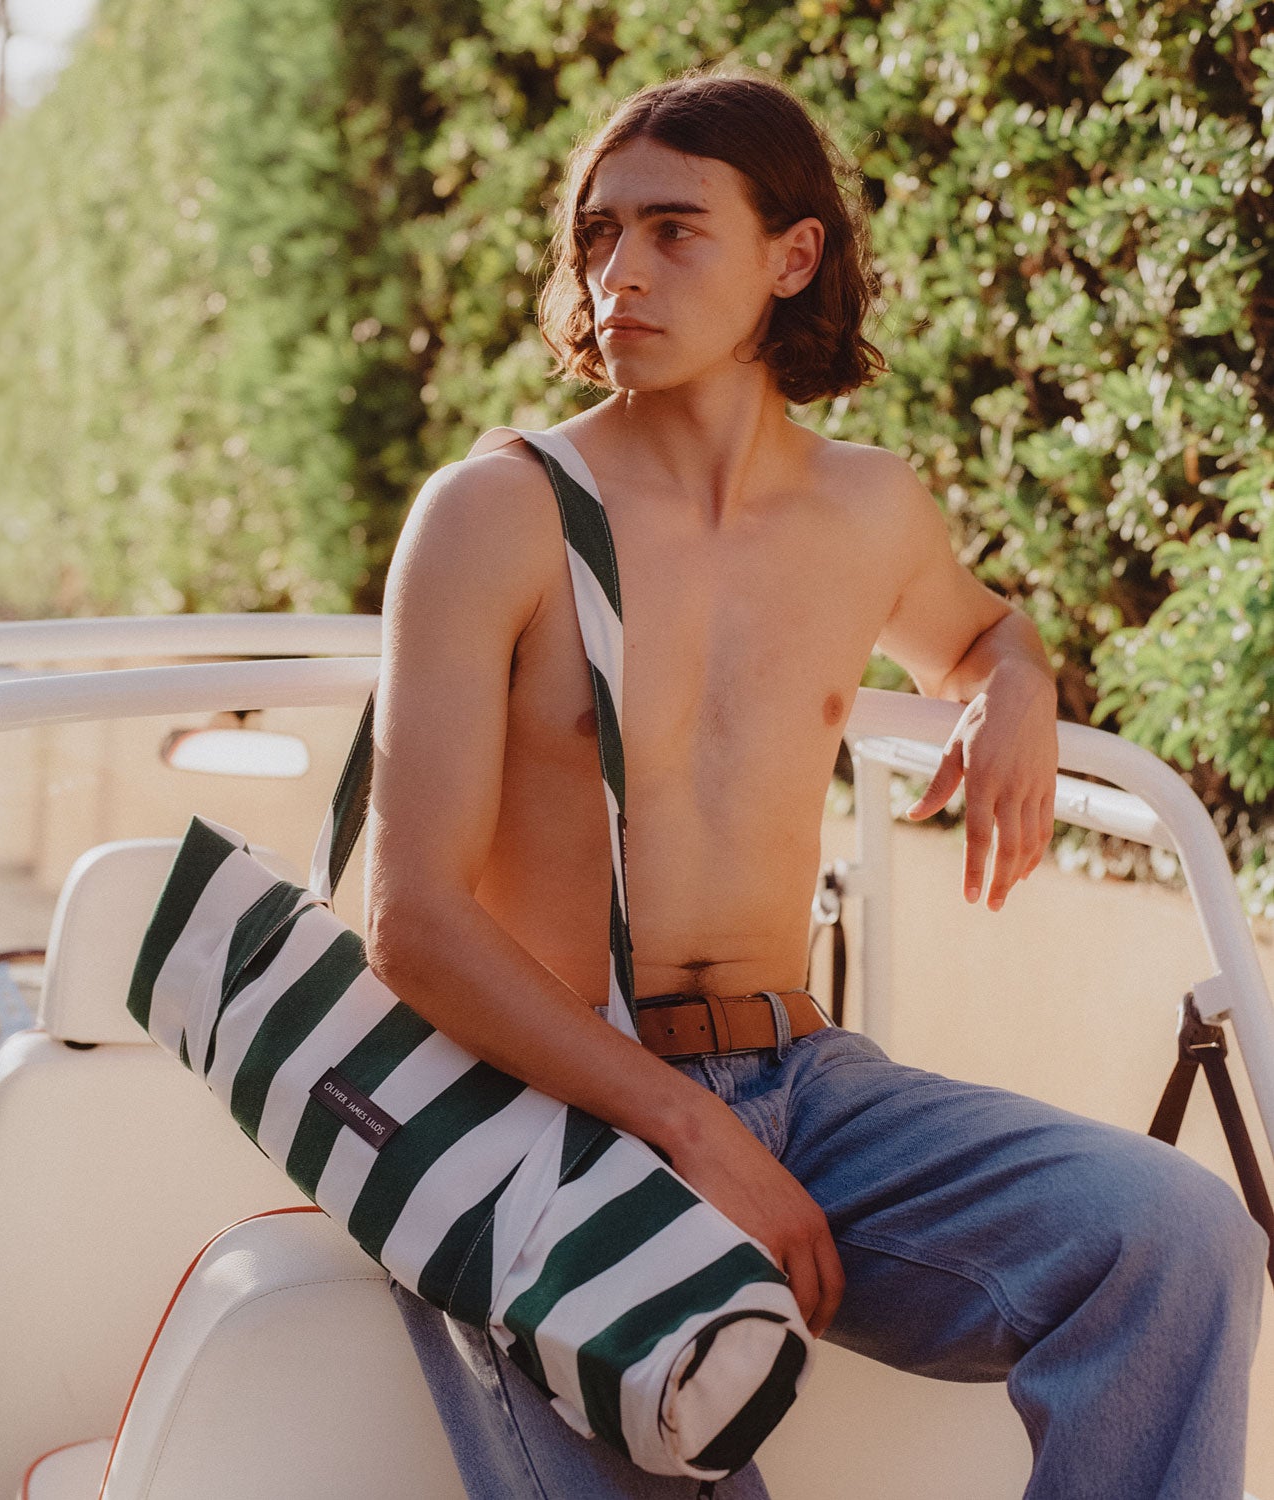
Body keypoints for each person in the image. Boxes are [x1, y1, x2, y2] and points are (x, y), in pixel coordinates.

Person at [364, 70, 1267, 1500]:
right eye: (598, 236)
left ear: (793, 256)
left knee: (1175, 1237)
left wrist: (1016, 684)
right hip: (555, 1114)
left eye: (674, 232)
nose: (619, 275)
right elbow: (410, 921)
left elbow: (979, 631)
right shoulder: (499, 513)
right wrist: (689, 1130)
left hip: (811, 1087)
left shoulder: (869, 507)